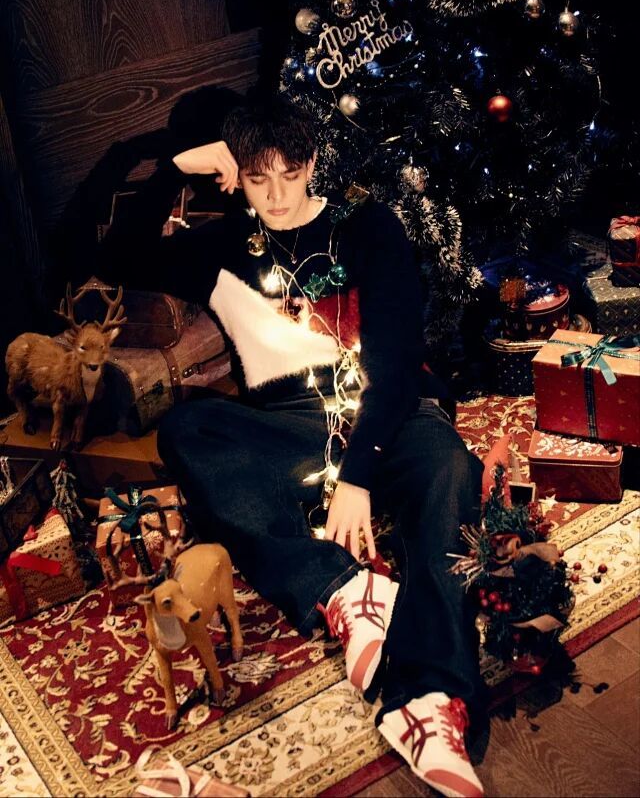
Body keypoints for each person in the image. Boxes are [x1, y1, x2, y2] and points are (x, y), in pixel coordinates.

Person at [96, 95, 486, 798]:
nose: (276, 195)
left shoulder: (367, 226)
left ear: (311, 162)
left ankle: (430, 701)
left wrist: (358, 477)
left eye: (290, 173)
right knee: (188, 431)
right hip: (289, 425)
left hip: (386, 414)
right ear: (236, 175)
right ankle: (343, 591)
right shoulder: (222, 246)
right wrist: (175, 166)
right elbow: (108, 255)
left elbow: (398, 371)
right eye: (257, 178)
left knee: (452, 469)